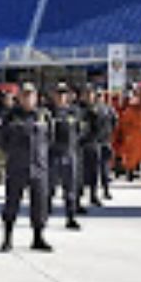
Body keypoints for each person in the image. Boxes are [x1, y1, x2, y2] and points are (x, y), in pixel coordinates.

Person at [0, 83, 53, 253]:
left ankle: (38, 237)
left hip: (39, 166)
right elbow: (1, 139)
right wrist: (14, 153)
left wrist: (41, 156)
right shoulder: (10, 116)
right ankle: (7, 239)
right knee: (12, 203)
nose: (28, 98)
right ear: (19, 97)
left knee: (40, 204)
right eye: (25, 95)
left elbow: (50, 138)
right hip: (17, 166)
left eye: (31, 95)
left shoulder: (44, 115)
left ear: (36, 97)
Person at [48, 83, 81, 230]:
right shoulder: (47, 112)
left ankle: (71, 216)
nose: (61, 97)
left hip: (69, 153)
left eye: (64, 94)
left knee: (70, 188)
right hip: (52, 154)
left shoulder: (74, 112)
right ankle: (45, 213)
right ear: (53, 95)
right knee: (49, 188)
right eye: (58, 93)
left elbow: (80, 131)